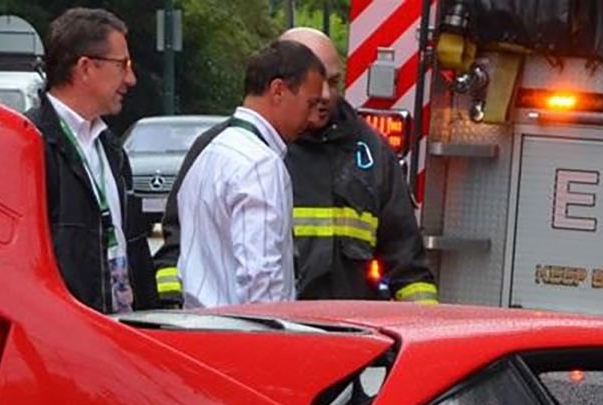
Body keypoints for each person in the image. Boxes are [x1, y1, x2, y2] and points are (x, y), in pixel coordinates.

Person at [155, 27, 438, 306]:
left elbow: (407, 262)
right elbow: (189, 255)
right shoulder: (254, 159)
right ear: (280, 86)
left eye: (334, 82)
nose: (325, 95)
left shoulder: (371, 151)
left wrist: (426, 335)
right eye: (314, 86)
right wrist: (169, 309)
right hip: (275, 335)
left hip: (349, 339)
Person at [169, 40, 325, 308]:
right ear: (278, 90)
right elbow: (261, 280)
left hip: (197, 328)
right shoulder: (260, 164)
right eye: (309, 104)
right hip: (243, 338)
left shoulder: (209, 154)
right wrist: (278, 338)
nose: (312, 118)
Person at [26, 8, 155, 314]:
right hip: (65, 341)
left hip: (119, 333)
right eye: (122, 65)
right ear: (85, 67)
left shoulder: (109, 147)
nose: (131, 79)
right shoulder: (31, 143)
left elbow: (132, 246)